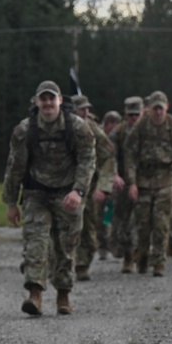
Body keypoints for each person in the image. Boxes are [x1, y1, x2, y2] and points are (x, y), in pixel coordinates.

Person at [3, 80, 96, 316]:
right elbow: (15, 167)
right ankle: (35, 295)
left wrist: (79, 191)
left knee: (66, 247)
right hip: (37, 193)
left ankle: (63, 296)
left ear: (60, 101)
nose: (47, 103)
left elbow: (87, 161)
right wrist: (12, 202)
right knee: (36, 242)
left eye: (51, 98)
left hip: (68, 193)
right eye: (42, 99)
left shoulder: (78, 128)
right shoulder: (24, 131)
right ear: (36, 102)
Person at [123, 91, 172, 277]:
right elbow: (130, 155)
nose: (158, 112)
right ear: (150, 109)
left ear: (166, 107)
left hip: (167, 179)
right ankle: (142, 256)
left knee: (161, 224)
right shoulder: (141, 127)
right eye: (155, 108)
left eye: (161, 108)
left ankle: (159, 262)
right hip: (144, 179)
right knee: (143, 225)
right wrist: (132, 182)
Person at [71, 95, 115, 280]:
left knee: (88, 228)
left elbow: (108, 156)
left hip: (88, 185)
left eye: (87, 109)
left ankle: (83, 264)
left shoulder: (93, 128)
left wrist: (103, 186)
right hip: (62, 184)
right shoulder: (60, 125)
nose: (85, 112)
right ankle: (59, 264)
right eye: (81, 109)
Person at [109, 97, 143, 272]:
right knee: (124, 219)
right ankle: (128, 255)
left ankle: (144, 253)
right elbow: (111, 156)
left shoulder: (150, 130)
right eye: (130, 115)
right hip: (124, 181)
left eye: (137, 115)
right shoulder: (118, 133)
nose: (134, 119)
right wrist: (114, 175)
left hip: (146, 180)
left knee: (145, 219)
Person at [96, 110, 122, 260]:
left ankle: (113, 244)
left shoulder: (118, 138)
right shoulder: (100, 136)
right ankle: (102, 246)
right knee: (100, 216)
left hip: (114, 180)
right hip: (100, 180)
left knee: (112, 214)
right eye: (112, 124)